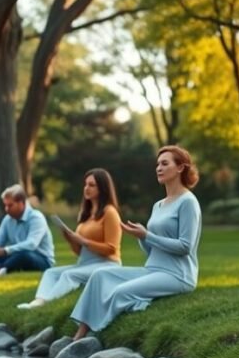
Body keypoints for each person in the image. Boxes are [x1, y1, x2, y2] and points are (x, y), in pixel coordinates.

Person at [70, 146, 202, 340]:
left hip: (178, 275)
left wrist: (147, 235)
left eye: (165, 164)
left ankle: (99, 335)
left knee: (120, 291)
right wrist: (141, 238)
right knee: (99, 275)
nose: (159, 168)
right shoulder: (158, 205)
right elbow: (151, 252)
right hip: (153, 269)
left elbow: (185, 247)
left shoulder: (188, 202)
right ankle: (80, 333)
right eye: (158, 164)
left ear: (180, 168)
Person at [17, 169, 123, 309]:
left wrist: (83, 241)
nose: (87, 188)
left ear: (103, 188)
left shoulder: (110, 213)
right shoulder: (85, 214)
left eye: (92, 185)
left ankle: (46, 304)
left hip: (107, 265)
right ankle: (38, 301)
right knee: (51, 273)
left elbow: (111, 248)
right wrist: (70, 239)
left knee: (69, 275)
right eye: (85, 184)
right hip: (85, 263)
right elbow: (79, 252)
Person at [0, 184, 55, 276]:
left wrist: (4, 251)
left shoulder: (36, 217)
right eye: (5, 205)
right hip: (14, 255)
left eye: (10, 205)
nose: (6, 209)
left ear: (21, 203)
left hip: (40, 259)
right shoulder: (8, 219)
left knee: (24, 255)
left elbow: (31, 244)